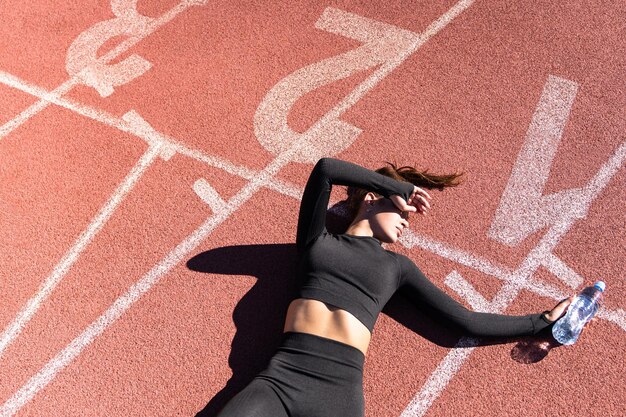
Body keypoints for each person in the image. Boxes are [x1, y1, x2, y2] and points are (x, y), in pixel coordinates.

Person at [216, 157, 571, 417]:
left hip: (337, 397)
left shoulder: (396, 268)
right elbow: (325, 169)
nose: (405, 223)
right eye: (401, 212)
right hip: (282, 378)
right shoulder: (317, 240)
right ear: (372, 199)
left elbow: (465, 320)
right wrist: (396, 187)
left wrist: (540, 321)